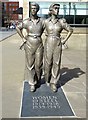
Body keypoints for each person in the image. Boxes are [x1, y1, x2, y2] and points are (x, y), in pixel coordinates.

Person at [44, 3, 73, 92]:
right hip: (48, 42)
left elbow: (70, 30)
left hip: (57, 43)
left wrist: (64, 41)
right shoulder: (46, 21)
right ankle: (47, 78)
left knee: (56, 63)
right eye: (55, 8)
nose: (57, 10)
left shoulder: (61, 22)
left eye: (58, 8)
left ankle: (54, 82)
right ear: (51, 10)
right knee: (48, 63)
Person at [16, 3, 45, 92]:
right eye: (32, 8)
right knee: (30, 64)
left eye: (35, 8)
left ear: (37, 10)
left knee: (39, 64)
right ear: (30, 10)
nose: (33, 10)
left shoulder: (42, 21)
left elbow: (47, 29)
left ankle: (38, 79)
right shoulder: (26, 21)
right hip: (29, 42)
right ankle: (32, 83)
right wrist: (23, 38)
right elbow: (18, 28)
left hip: (39, 43)